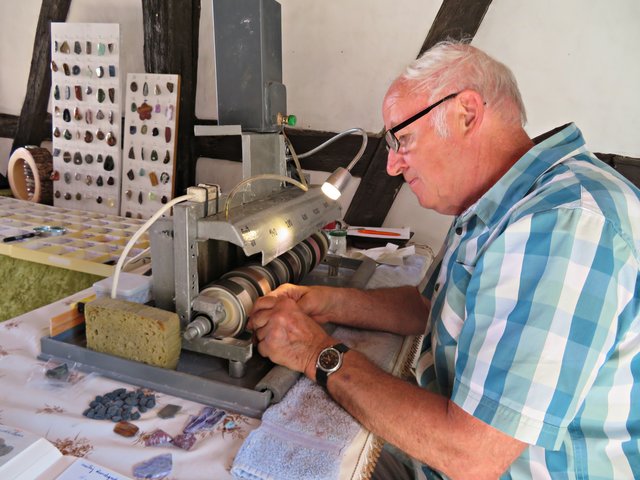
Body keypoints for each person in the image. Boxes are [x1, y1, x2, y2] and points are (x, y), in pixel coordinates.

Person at [248, 41, 640, 479]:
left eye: (402, 139)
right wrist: (324, 302)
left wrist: (314, 352)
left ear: (466, 113)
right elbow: (430, 306)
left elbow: (471, 455)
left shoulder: (560, 226)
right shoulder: (499, 202)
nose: (392, 166)